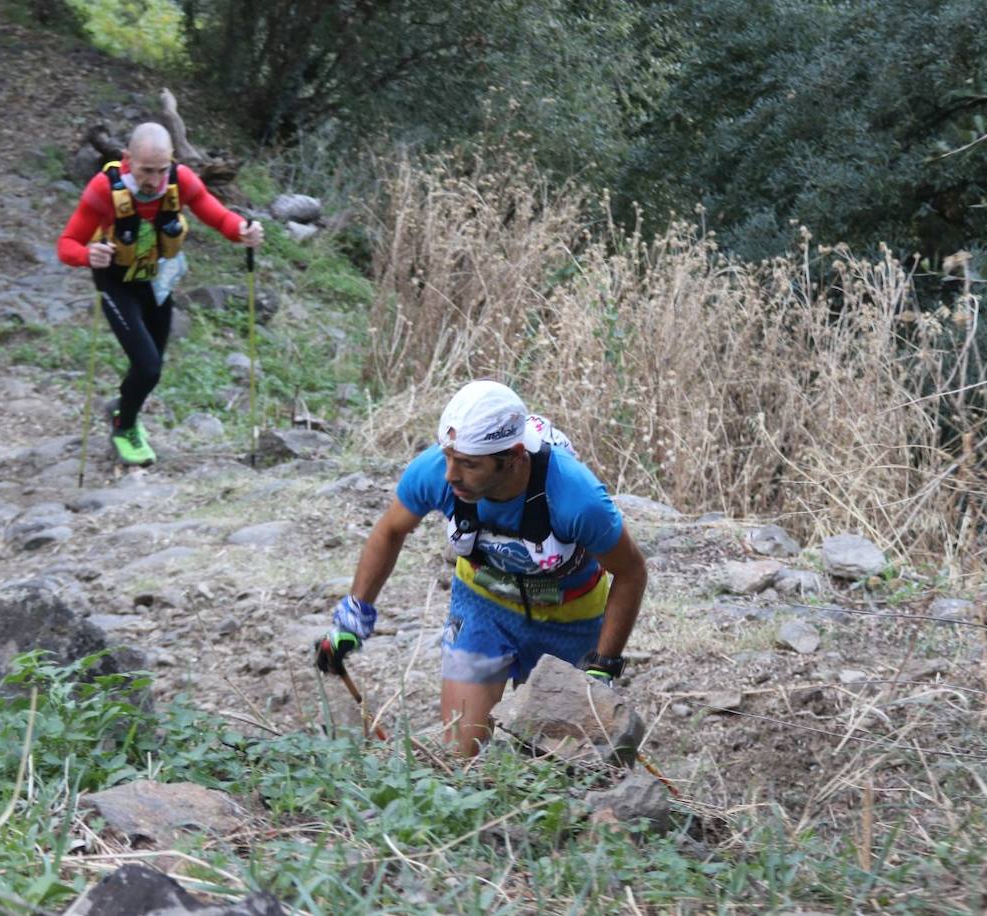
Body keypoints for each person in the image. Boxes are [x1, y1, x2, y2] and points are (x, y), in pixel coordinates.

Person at [314, 380, 647, 756]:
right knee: (461, 753)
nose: (451, 475)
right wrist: (354, 616)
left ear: (515, 456)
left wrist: (603, 666)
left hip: (570, 620)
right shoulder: (437, 470)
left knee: (555, 769)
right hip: (483, 608)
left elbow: (632, 572)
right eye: (449, 456)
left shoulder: (576, 498)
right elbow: (390, 531)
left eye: (470, 464)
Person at [57, 122, 263, 466]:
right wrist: (86, 255)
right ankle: (124, 427)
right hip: (116, 282)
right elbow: (66, 245)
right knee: (148, 366)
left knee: (152, 365)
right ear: (127, 160)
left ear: (172, 161)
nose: (154, 179)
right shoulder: (103, 189)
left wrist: (243, 231)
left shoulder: (180, 181)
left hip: (157, 282)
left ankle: (121, 408)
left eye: (161, 169)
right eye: (146, 170)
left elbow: (218, 216)